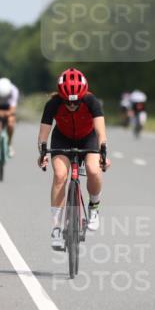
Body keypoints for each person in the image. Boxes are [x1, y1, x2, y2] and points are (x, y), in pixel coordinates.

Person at [37, 68, 110, 250]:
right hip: (62, 138)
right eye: (67, 102)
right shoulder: (53, 103)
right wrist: (42, 153)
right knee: (60, 175)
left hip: (88, 137)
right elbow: (43, 134)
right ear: (61, 97)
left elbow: (101, 132)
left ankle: (94, 207)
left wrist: (103, 153)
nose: (71, 106)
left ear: (82, 96)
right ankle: (56, 227)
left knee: (94, 170)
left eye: (76, 102)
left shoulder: (91, 101)